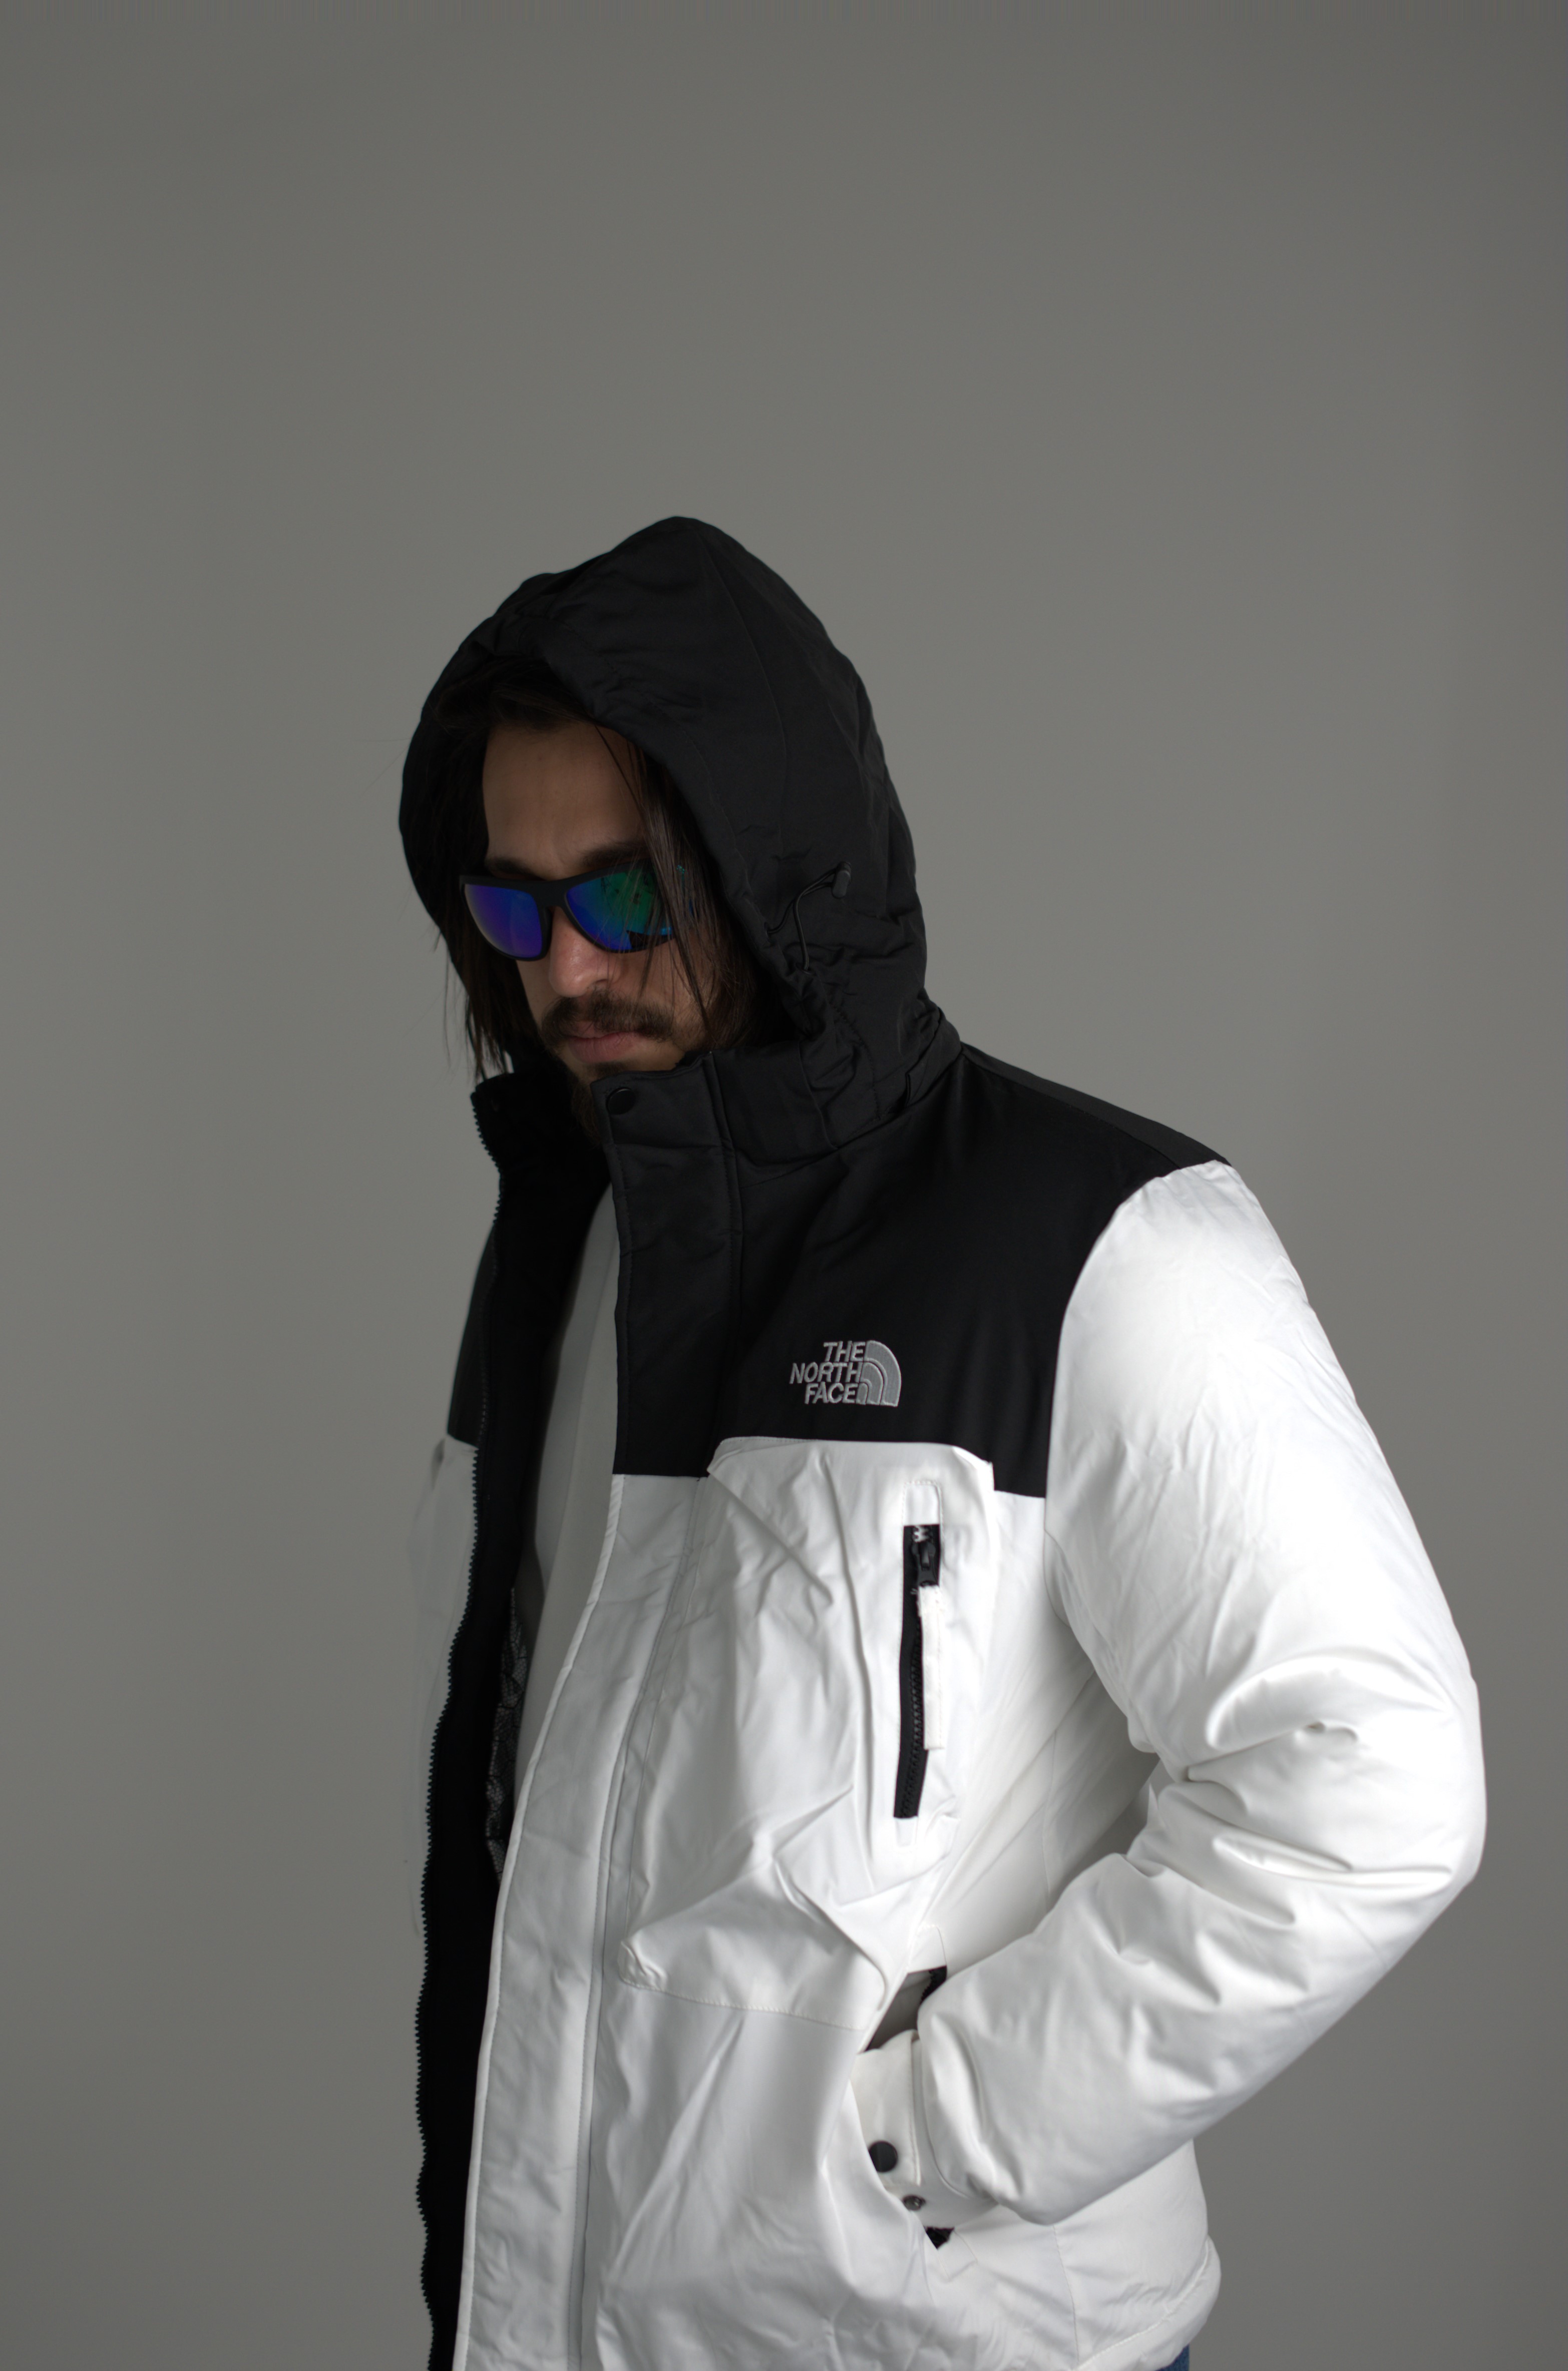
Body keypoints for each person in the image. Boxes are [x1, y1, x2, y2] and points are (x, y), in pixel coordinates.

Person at [398, 517, 1484, 2371]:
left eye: (627, 899)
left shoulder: (1097, 1244)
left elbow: (1370, 1780)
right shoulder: (567, 1254)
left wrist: (939, 2135)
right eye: (514, 911)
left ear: (773, 873)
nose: (566, 971)